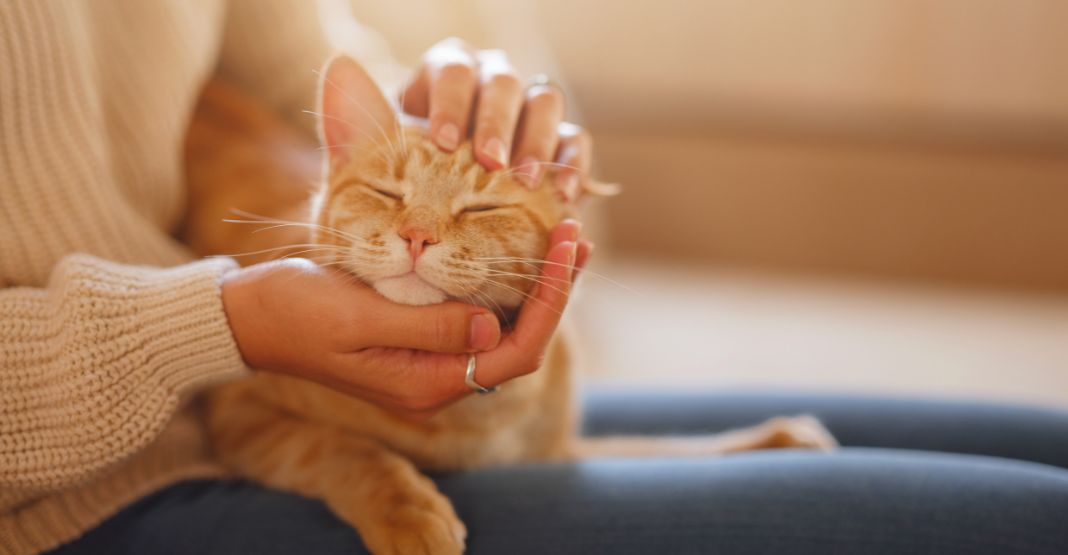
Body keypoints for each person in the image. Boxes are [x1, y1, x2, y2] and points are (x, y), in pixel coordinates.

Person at [2, 2, 1067, 554]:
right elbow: (240, 403)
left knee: (1042, 447)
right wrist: (225, 323)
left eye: (458, 223)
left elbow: (305, 75)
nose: (423, 238)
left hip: (262, 336)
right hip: (88, 494)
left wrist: (443, 108)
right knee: (1033, 524)